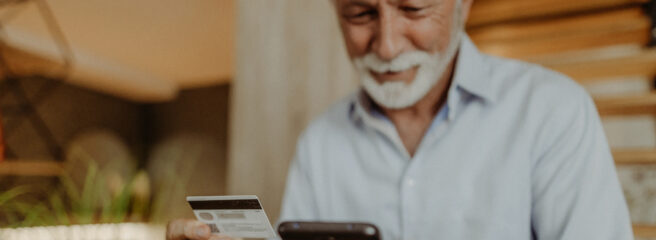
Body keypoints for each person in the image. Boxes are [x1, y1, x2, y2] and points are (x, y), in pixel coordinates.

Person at [167, 0, 634, 239]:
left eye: (413, 8)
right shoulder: (320, 144)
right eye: (360, 13)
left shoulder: (553, 113)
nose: (387, 45)